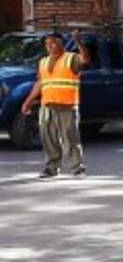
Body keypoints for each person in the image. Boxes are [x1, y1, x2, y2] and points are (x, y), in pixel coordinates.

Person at [20, 30, 90, 178]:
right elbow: (40, 83)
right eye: (47, 44)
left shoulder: (71, 58)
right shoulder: (43, 62)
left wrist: (79, 42)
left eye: (52, 43)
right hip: (47, 105)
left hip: (67, 106)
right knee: (48, 138)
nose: (49, 46)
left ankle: (77, 168)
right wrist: (28, 101)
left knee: (70, 138)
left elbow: (85, 59)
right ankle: (52, 168)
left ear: (60, 43)